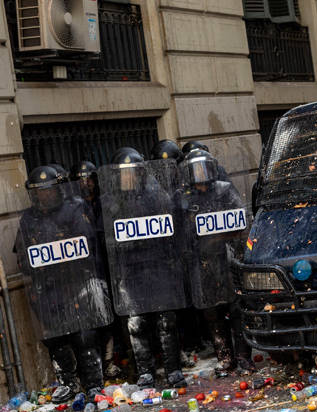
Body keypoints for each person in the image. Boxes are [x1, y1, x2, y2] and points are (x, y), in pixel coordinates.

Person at [15, 166, 114, 401]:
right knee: (56, 338)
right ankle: (69, 382)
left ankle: (93, 383)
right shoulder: (29, 218)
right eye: (39, 191)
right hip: (49, 289)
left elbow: (87, 245)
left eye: (48, 190)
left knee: (85, 335)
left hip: (75, 284)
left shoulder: (74, 208)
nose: (44, 195)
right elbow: (22, 254)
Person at [99, 148, 187, 388]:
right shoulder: (110, 202)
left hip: (157, 267)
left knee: (166, 320)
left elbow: (172, 230)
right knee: (136, 324)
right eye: (124, 174)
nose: (130, 177)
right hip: (131, 271)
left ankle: (173, 370)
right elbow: (105, 239)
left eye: (134, 173)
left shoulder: (156, 196)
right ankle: (145, 371)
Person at [174, 150, 255, 374]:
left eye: (204, 168)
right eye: (195, 169)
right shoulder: (184, 198)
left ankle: (243, 357)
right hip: (201, 264)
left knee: (236, 309)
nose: (200, 174)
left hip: (226, 259)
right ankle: (225, 357)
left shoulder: (224, 190)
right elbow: (180, 234)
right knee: (212, 313)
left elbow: (241, 220)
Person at [71, 161, 123, 380]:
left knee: (110, 317)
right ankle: (92, 368)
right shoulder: (72, 207)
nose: (86, 184)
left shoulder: (107, 203)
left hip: (108, 268)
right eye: (81, 180)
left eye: (89, 179)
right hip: (84, 273)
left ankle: (110, 360)